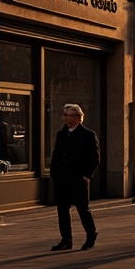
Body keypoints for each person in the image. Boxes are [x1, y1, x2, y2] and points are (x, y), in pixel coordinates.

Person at [50, 103, 100, 251]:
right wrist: (54, 173)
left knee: (82, 208)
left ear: (79, 117)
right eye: (65, 115)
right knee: (62, 209)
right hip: (62, 178)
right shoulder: (61, 134)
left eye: (70, 115)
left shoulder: (88, 135)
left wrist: (86, 175)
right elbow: (56, 155)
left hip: (78, 178)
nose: (67, 119)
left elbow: (95, 158)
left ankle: (91, 235)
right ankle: (66, 239)